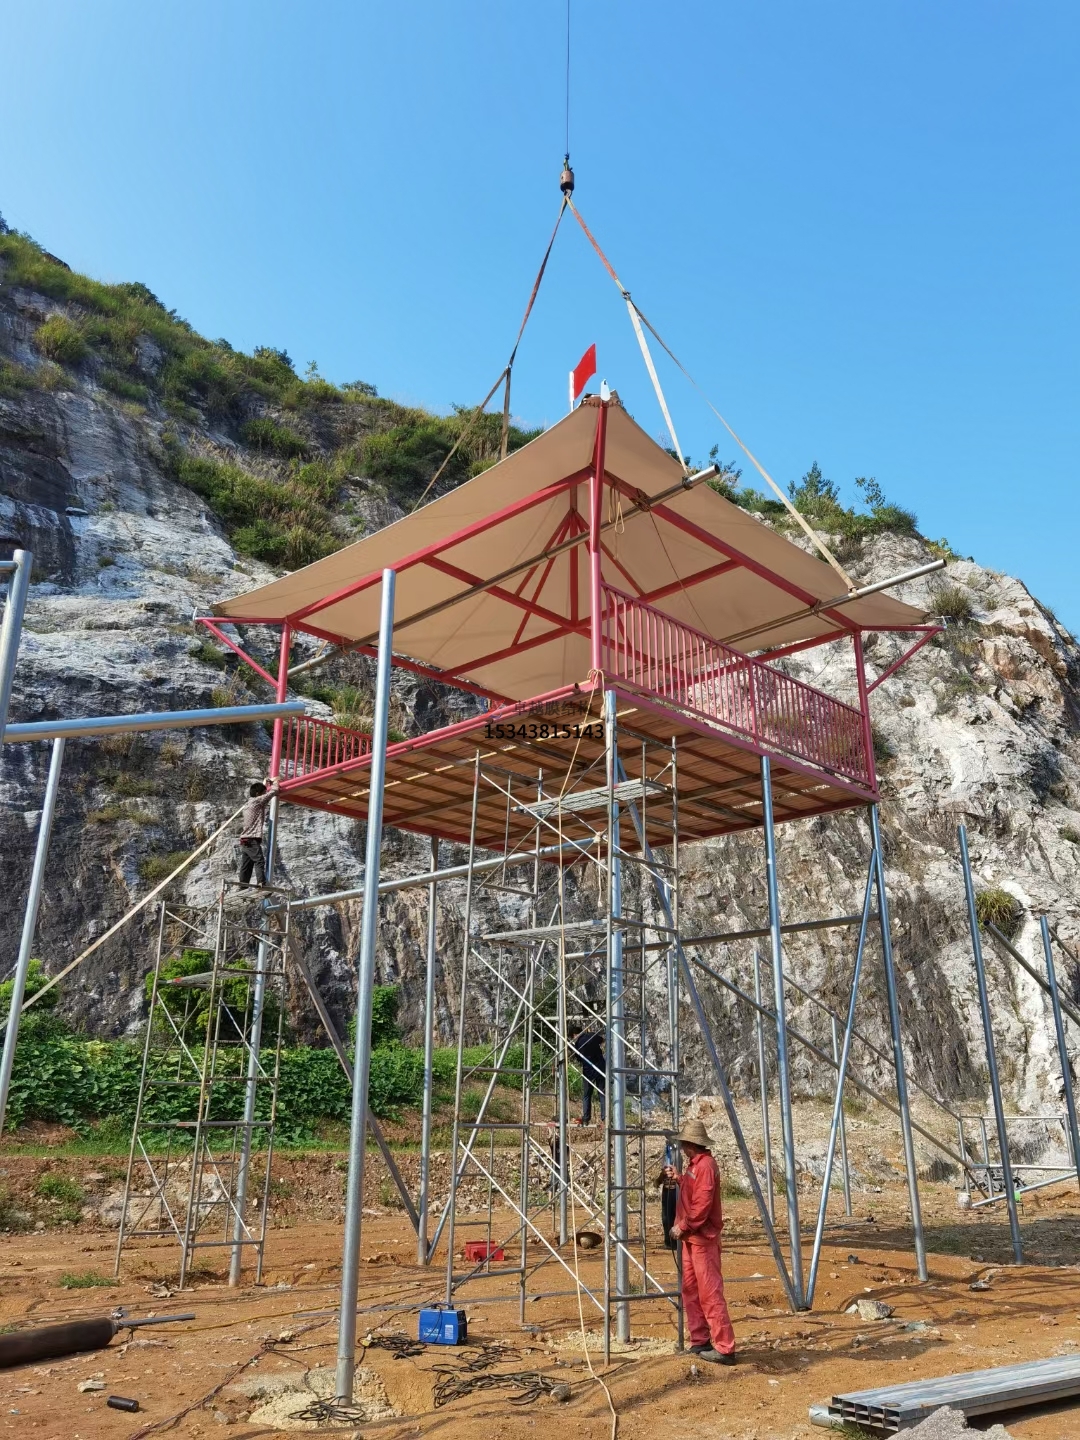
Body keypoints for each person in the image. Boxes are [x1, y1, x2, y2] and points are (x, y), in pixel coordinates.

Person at [662, 1118, 736, 1365]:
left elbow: (701, 1206)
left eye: (683, 1144)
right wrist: (679, 1178)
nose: (682, 1147)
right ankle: (700, 1340)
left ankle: (725, 1347)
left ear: (689, 1144)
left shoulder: (705, 1166)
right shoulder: (696, 1166)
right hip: (691, 1238)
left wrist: (681, 1226)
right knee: (691, 1290)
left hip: (702, 1239)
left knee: (710, 1292)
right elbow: (694, 1192)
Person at [236, 777, 279, 888]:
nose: (265, 794)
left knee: (247, 865)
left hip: (245, 839)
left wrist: (264, 785)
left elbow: (264, 797)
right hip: (251, 838)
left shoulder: (249, 803)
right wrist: (275, 782)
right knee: (259, 861)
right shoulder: (257, 801)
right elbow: (274, 792)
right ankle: (261, 883)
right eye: (263, 793)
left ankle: (242, 886)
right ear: (258, 794)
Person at [568, 1023, 605, 1125]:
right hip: (600, 1068)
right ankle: (604, 1117)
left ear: (574, 1035)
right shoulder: (592, 1035)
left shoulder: (578, 1044)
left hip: (588, 1071)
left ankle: (586, 1118)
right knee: (602, 1093)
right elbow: (602, 1040)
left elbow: (579, 1059)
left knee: (587, 1095)